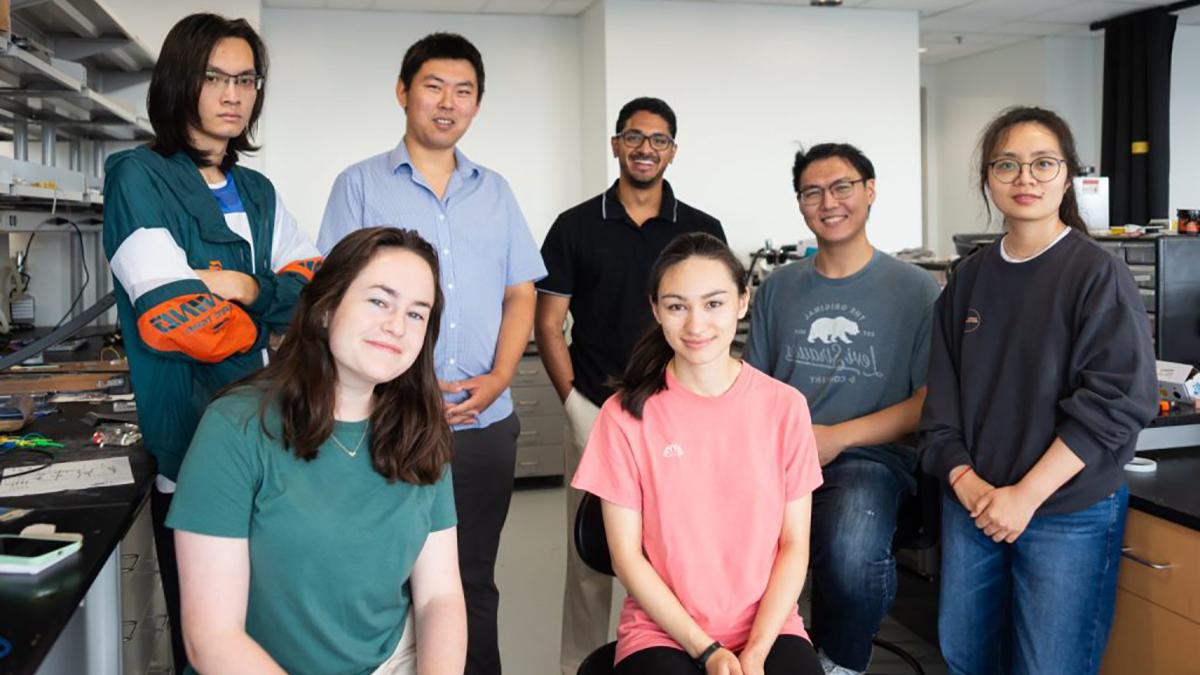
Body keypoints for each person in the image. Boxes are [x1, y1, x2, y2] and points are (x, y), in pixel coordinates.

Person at [317, 32, 545, 674]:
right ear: (403, 92)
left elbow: (521, 293)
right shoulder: (359, 185)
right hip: (383, 419)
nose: (448, 103)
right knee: (381, 578)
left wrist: (501, 378)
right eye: (434, 87)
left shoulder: (495, 191)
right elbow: (332, 299)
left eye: (464, 92)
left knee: (471, 580)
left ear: (476, 105)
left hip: (481, 423)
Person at [101, 13, 320, 672]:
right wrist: (263, 311)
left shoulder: (257, 190)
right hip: (191, 442)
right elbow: (180, 317)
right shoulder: (136, 177)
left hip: (273, 434)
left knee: (271, 624)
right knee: (210, 640)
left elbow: (314, 289)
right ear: (179, 83)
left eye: (246, 79)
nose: (233, 93)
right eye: (214, 77)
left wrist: (243, 289)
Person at [919, 106, 1158, 675]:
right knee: (967, 658)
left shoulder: (1096, 274)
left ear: (1068, 175)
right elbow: (941, 405)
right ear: (987, 178)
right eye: (1007, 165)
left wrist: (1023, 497)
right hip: (974, 508)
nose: (1025, 178)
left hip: (1065, 513)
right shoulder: (970, 277)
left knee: (1049, 666)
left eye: (1043, 163)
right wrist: (970, 485)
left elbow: (1117, 401)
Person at [168, 227, 466, 674]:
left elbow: (438, 597)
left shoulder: (419, 430)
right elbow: (212, 637)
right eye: (380, 301)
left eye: (417, 314)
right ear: (326, 308)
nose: (397, 326)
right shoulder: (236, 428)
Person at [572, 232, 825, 675]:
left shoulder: (784, 407)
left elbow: (794, 544)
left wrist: (758, 650)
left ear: (743, 302)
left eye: (713, 304)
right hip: (663, 631)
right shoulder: (624, 415)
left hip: (768, 626)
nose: (695, 325)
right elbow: (625, 557)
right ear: (655, 311)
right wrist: (707, 650)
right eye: (676, 306)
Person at [534, 96, 726, 675]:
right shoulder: (574, 226)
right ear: (616, 144)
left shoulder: (700, 228)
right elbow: (548, 323)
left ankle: (689, 654)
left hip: (681, 417)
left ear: (673, 150)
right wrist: (572, 403)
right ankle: (579, 666)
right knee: (591, 559)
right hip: (596, 413)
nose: (646, 148)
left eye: (659, 139)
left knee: (681, 552)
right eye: (634, 137)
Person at [745, 143, 939, 675]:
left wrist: (836, 437)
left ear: (870, 191)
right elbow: (753, 388)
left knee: (850, 552)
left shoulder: (917, 289)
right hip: (780, 458)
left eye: (842, 187)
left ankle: (838, 664)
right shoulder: (777, 290)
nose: (828, 201)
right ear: (800, 203)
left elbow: (928, 405)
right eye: (812, 191)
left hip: (871, 459)